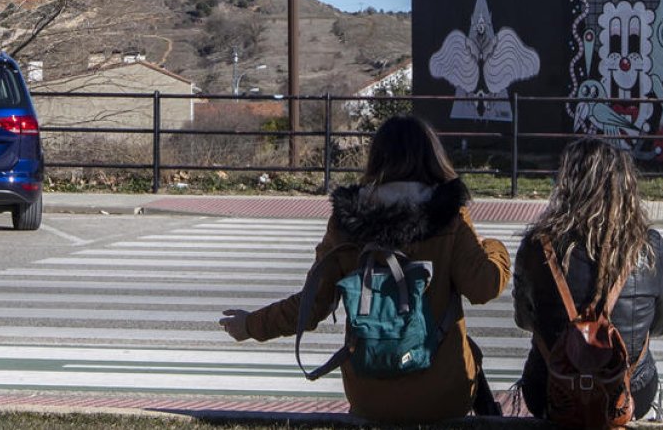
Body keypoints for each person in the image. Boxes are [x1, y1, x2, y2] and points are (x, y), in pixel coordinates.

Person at [219, 115, 511, 423]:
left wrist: (250, 325)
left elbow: (312, 305)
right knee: (466, 351)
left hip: (369, 396)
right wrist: (494, 246)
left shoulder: (346, 222)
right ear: (433, 157)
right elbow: (485, 286)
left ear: (376, 158)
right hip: (442, 395)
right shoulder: (448, 215)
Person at [512, 137, 663, 420]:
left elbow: (524, 321)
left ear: (567, 185)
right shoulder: (649, 247)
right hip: (628, 392)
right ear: (626, 186)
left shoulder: (538, 246)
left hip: (550, 388)